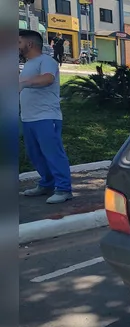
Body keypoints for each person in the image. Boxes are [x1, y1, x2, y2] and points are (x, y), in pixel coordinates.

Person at [19, 29, 73, 204]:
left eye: (18, 42)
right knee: (36, 155)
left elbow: (47, 79)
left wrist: (24, 83)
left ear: (29, 43)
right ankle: (47, 184)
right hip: (29, 118)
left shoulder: (47, 61)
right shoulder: (28, 64)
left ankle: (64, 189)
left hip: (46, 117)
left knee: (53, 153)